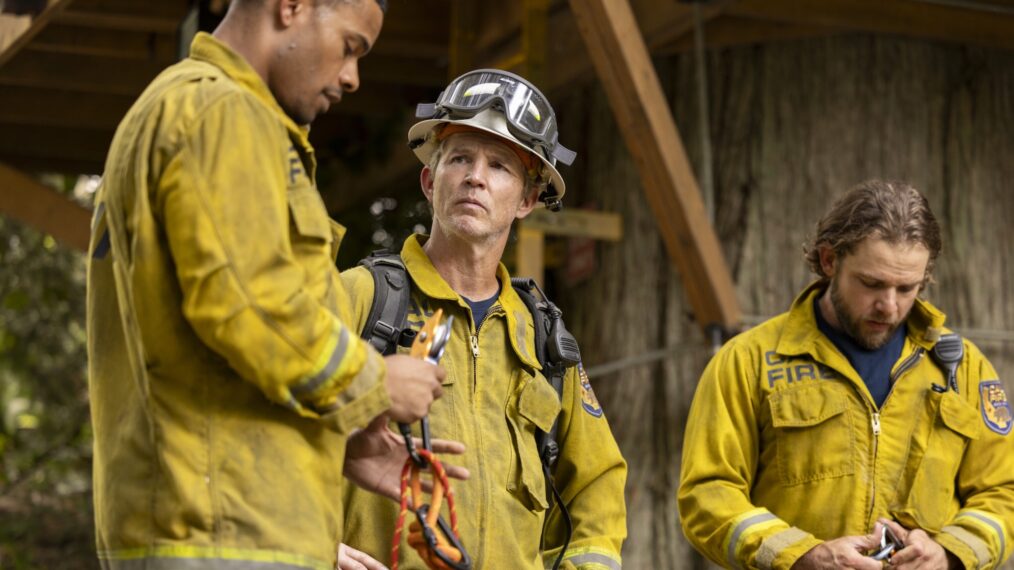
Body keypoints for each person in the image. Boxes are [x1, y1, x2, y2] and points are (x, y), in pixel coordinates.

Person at [86, 1, 449, 568]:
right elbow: (250, 309)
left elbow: (216, 350)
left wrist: (336, 439)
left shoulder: (187, 109)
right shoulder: (219, 111)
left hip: (214, 520)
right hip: (222, 533)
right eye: (351, 46)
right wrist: (375, 381)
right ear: (293, 6)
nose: (353, 77)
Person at [336, 69, 628, 569]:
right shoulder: (362, 299)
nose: (476, 176)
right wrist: (315, 549)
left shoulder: (543, 339)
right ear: (430, 181)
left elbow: (597, 487)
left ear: (527, 201)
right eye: (460, 159)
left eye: (499, 166)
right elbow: (262, 432)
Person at [678, 180, 1014, 570]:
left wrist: (949, 554)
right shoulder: (748, 362)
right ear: (828, 261)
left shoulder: (963, 368)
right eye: (872, 283)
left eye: (908, 288)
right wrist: (799, 555)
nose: (889, 306)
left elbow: (1004, 492)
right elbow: (707, 494)